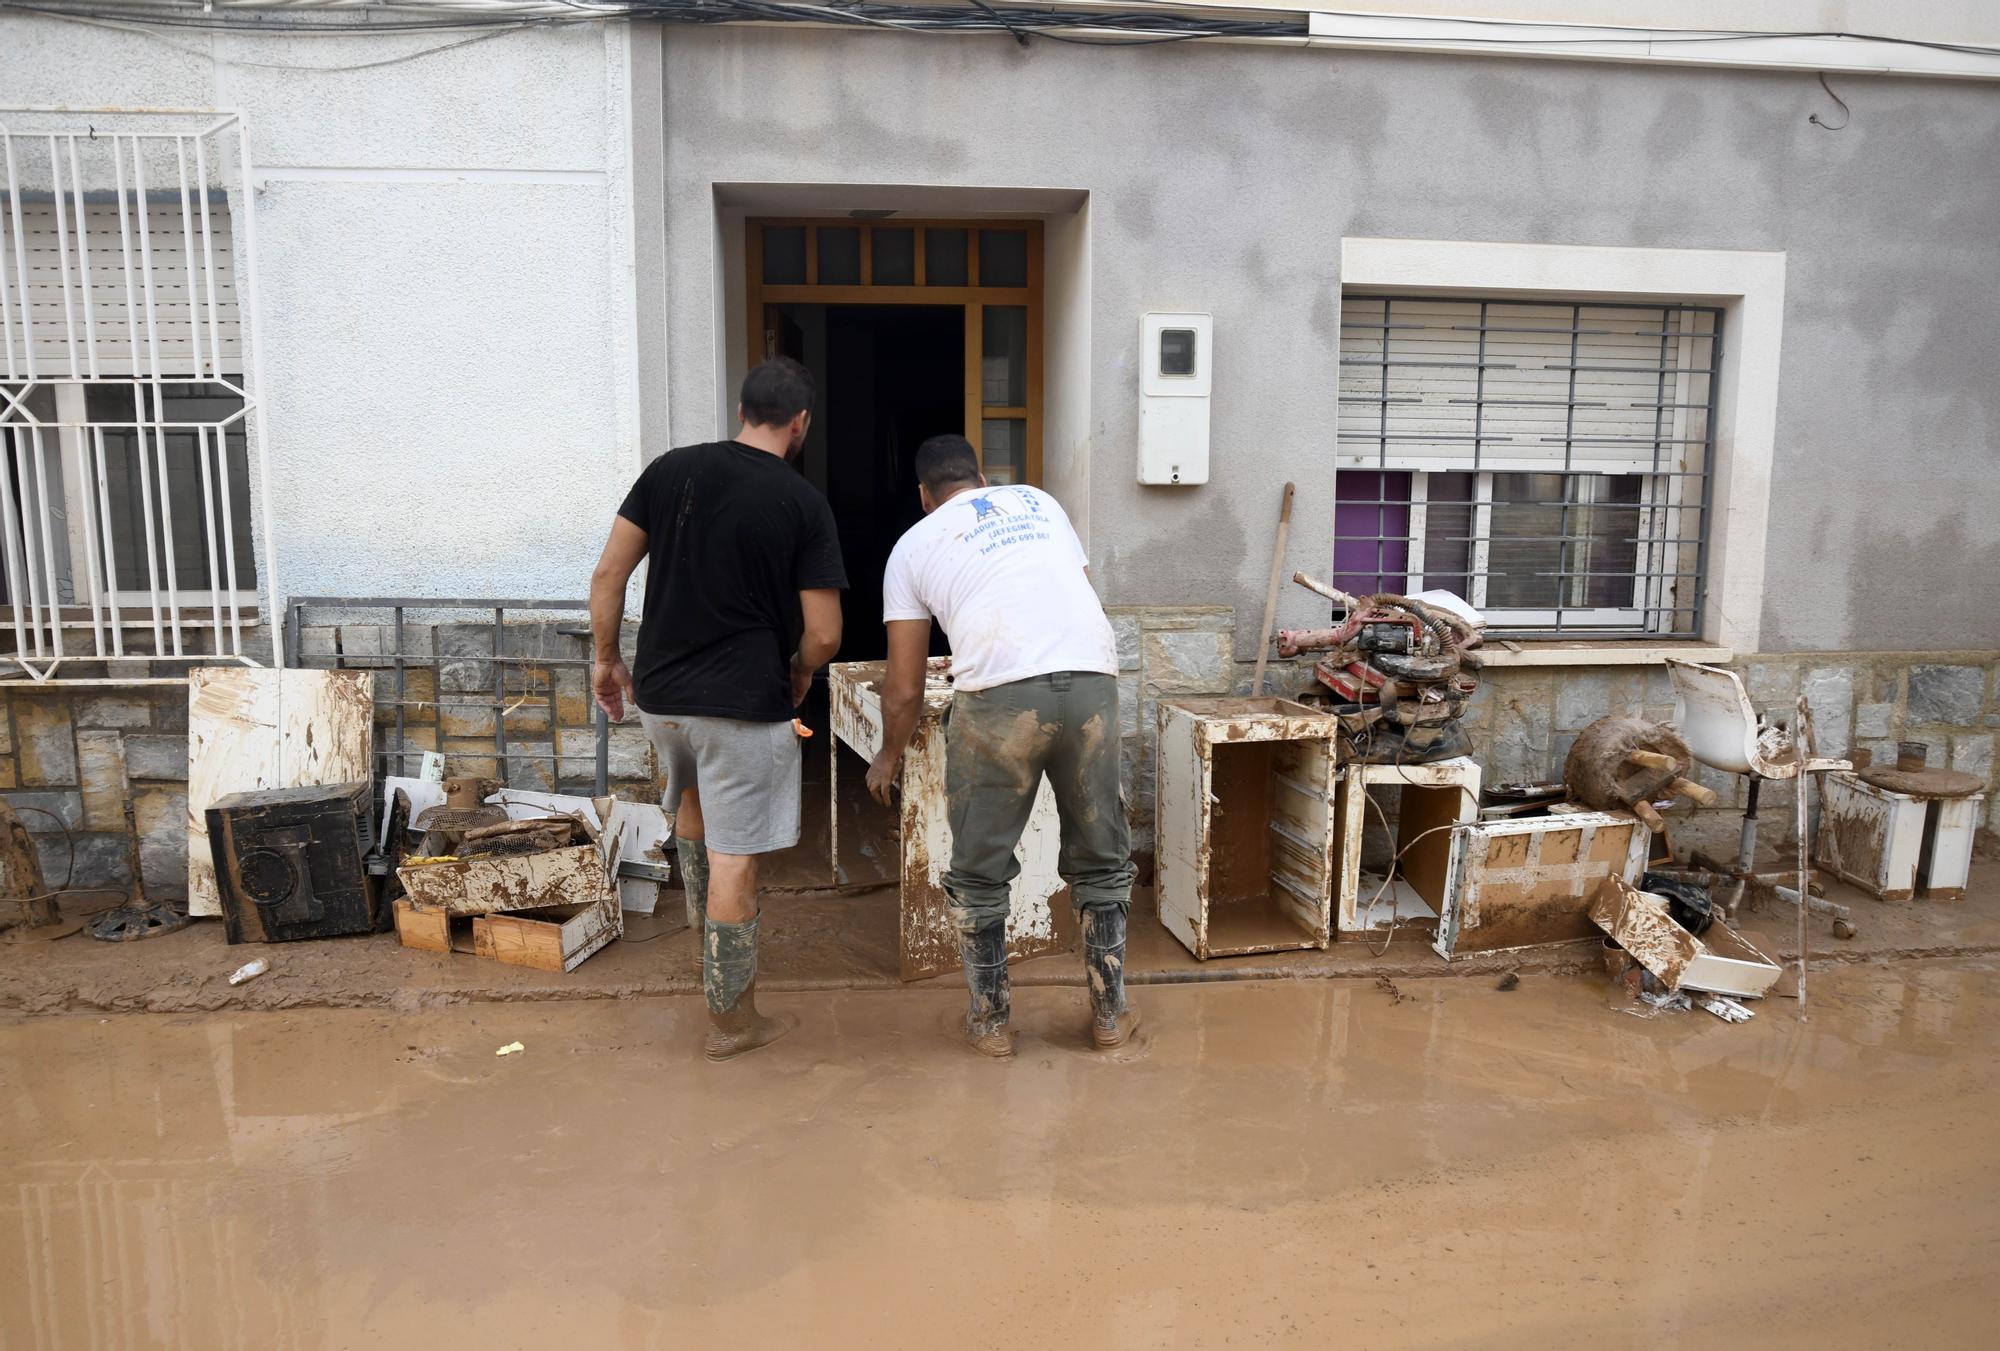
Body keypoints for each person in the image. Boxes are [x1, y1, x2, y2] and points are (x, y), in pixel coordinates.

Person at [589, 357, 846, 1061]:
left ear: (742, 410)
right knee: (738, 858)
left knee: (696, 803)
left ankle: (709, 946)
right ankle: (733, 1019)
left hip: (663, 701)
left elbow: (610, 571)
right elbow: (824, 633)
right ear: (800, 423)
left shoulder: (671, 470)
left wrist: (607, 659)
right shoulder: (801, 502)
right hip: (740, 705)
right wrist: (797, 672)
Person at [866, 435, 1137, 1057]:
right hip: (1093, 681)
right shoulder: (1039, 503)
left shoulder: (912, 545)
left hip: (1001, 702)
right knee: (1101, 858)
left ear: (923, 496)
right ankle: (1109, 1017)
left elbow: (905, 689)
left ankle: (991, 1024)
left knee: (981, 869)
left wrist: (887, 756)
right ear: (982, 479)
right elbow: (1080, 596)